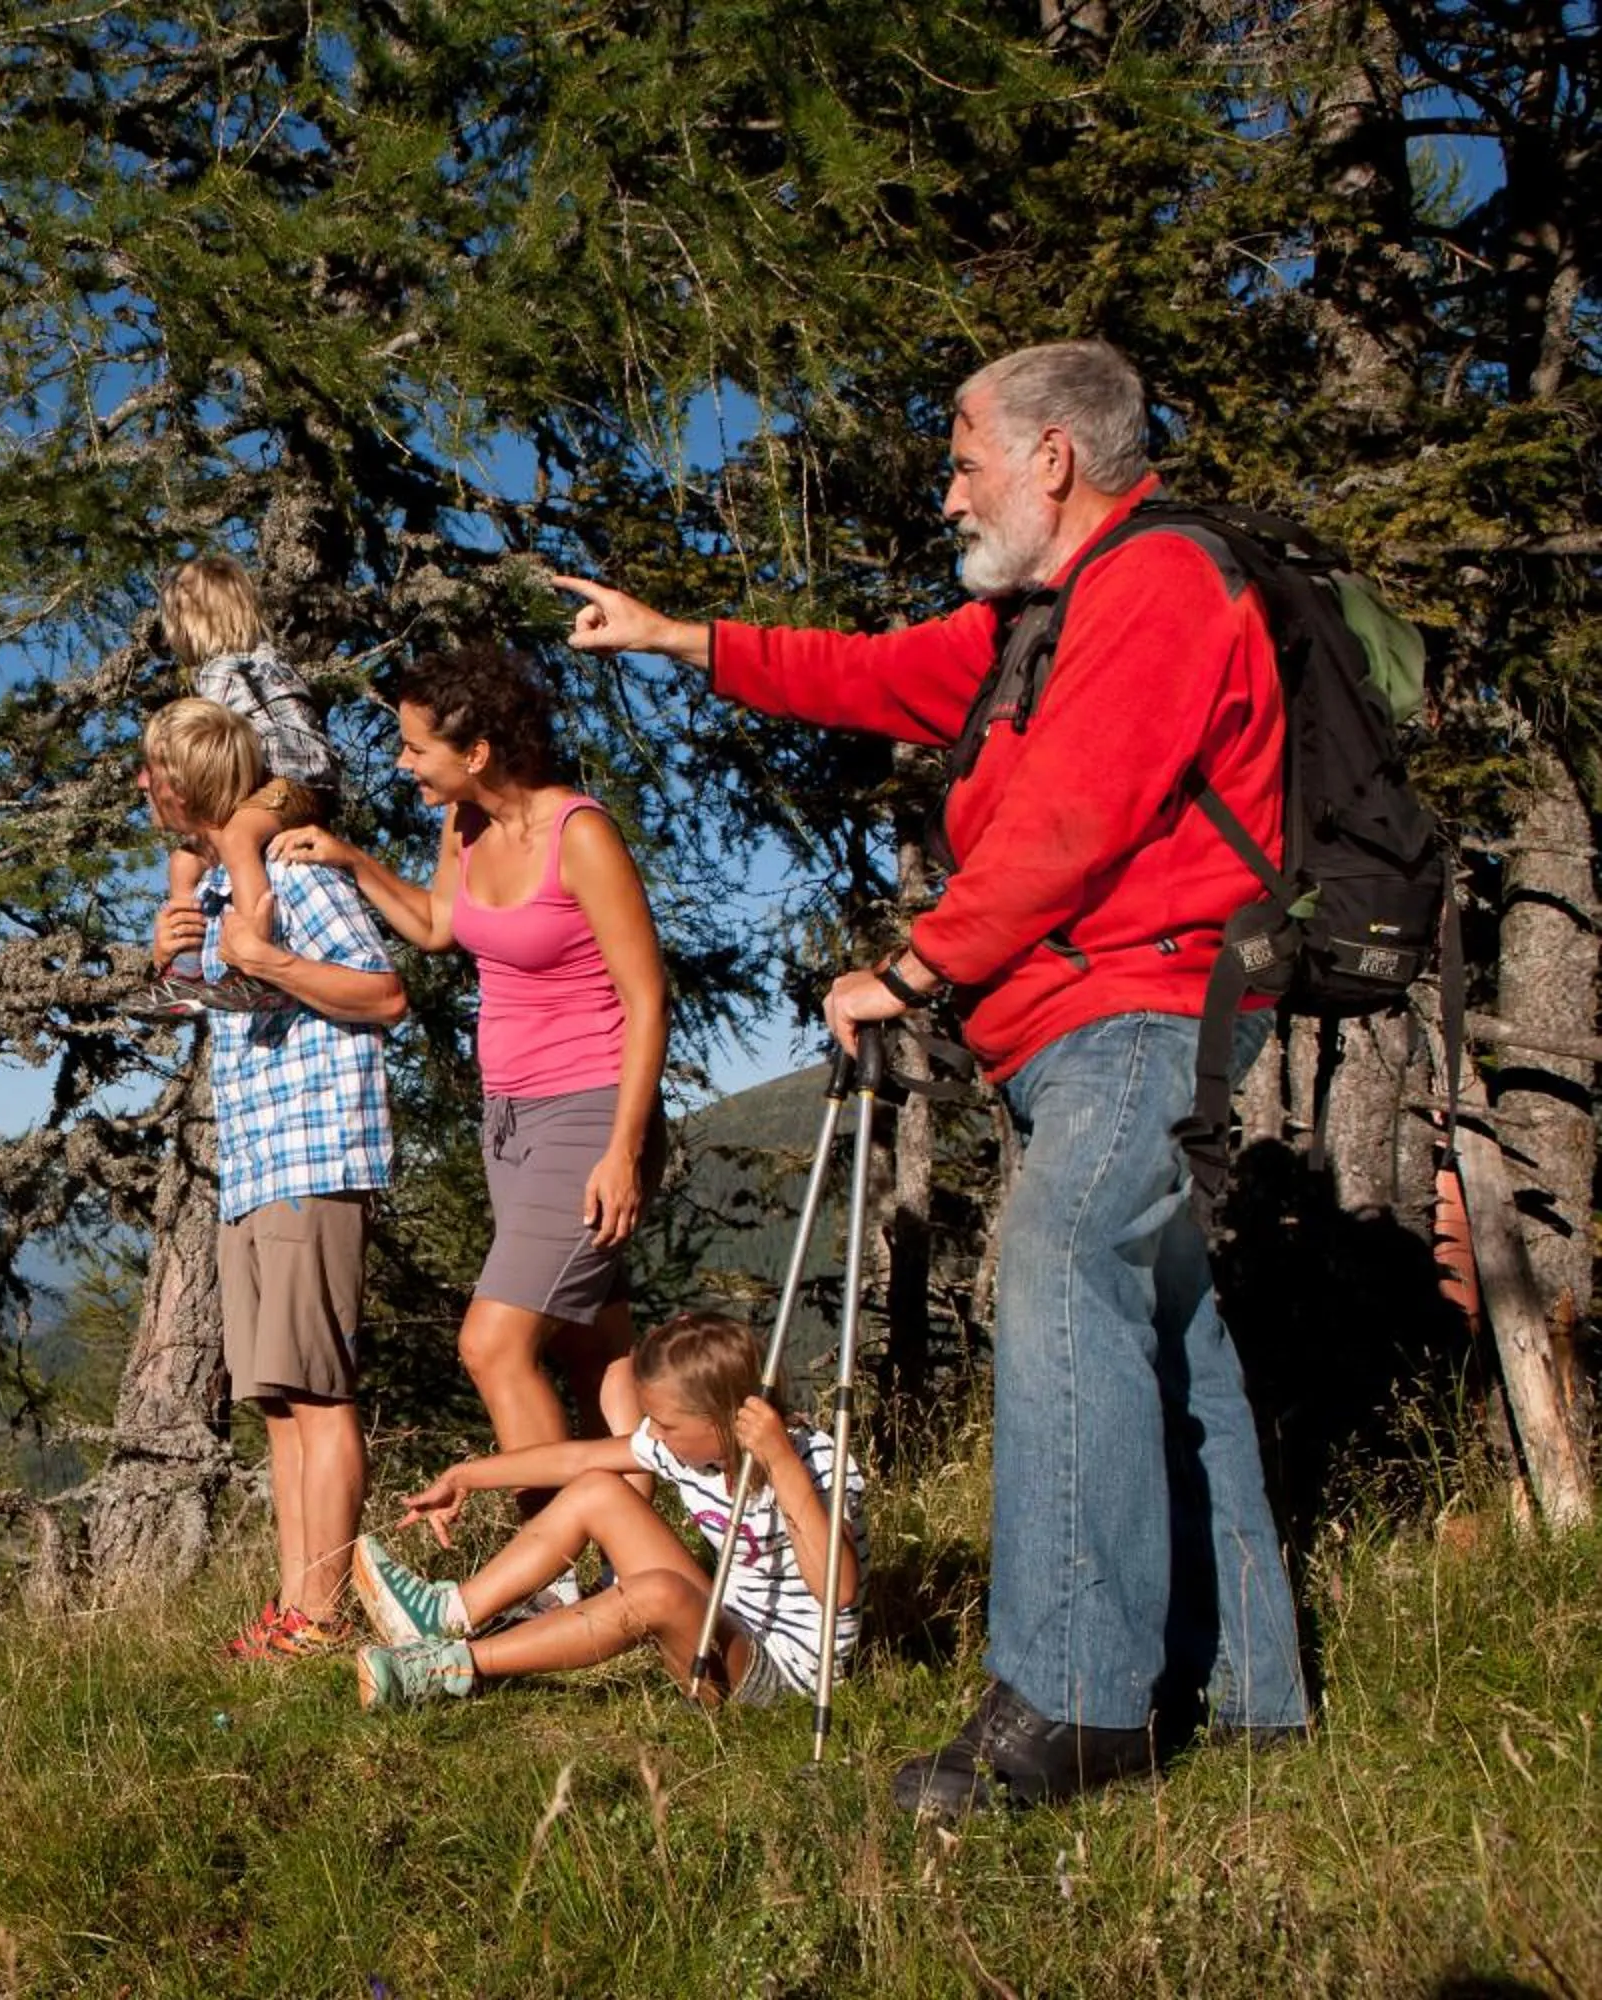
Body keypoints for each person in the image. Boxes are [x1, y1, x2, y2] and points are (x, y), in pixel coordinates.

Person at [555, 338, 1310, 1814]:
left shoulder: (1155, 584)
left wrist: (914, 966)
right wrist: (675, 635)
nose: (947, 483)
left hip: (1150, 1009)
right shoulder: (1043, 617)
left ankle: (1075, 1700)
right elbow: (868, 674)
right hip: (1090, 1025)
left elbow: (1076, 819)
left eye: (965, 454)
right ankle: (1252, 1692)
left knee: (1059, 1266)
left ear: (1053, 458)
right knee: (1172, 1344)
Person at [276, 645, 669, 1561]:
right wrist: (350, 858)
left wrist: (623, 1148)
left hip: (592, 1111)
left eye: (417, 748)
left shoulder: (579, 833)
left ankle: (552, 1563)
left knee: (493, 1344)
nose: (404, 763)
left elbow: (646, 997)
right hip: (511, 1120)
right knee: (586, 1342)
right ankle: (655, 1547)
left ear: (480, 750)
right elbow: (441, 928)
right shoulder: (462, 826)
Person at [140, 696, 406, 1659]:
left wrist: (269, 956)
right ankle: (297, 1610)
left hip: (316, 1151)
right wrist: (178, 969)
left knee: (320, 1396)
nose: (142, 787)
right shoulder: (217, 889)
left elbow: (385, 993)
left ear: (189, 783)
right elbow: (243, 996)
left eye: (152, 771)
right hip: (255, 1163)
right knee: (282, 1399)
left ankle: (323, 1616)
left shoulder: (292, 871)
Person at [347, 1311, 861, 1711]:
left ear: (725, 1418)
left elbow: (838, 1590)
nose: (652, 1434)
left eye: (665, 1423)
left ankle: (451, 1668)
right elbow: (575, 1459)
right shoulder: (687, 1448)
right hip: (722, 1627)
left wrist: (779, 1460)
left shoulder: (814, 1462)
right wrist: (465, 1476)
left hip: (786, 1681)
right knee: (598, 1489)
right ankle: (447, 1614)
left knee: (658, 1593)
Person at [152, 554, 343, 1012]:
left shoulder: (222, 674)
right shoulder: (267, 662)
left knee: (237, 835)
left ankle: (256, 962)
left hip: (295, 781)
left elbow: (224, 750)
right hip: (283, 782)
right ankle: (185, 966)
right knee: (185, 860)